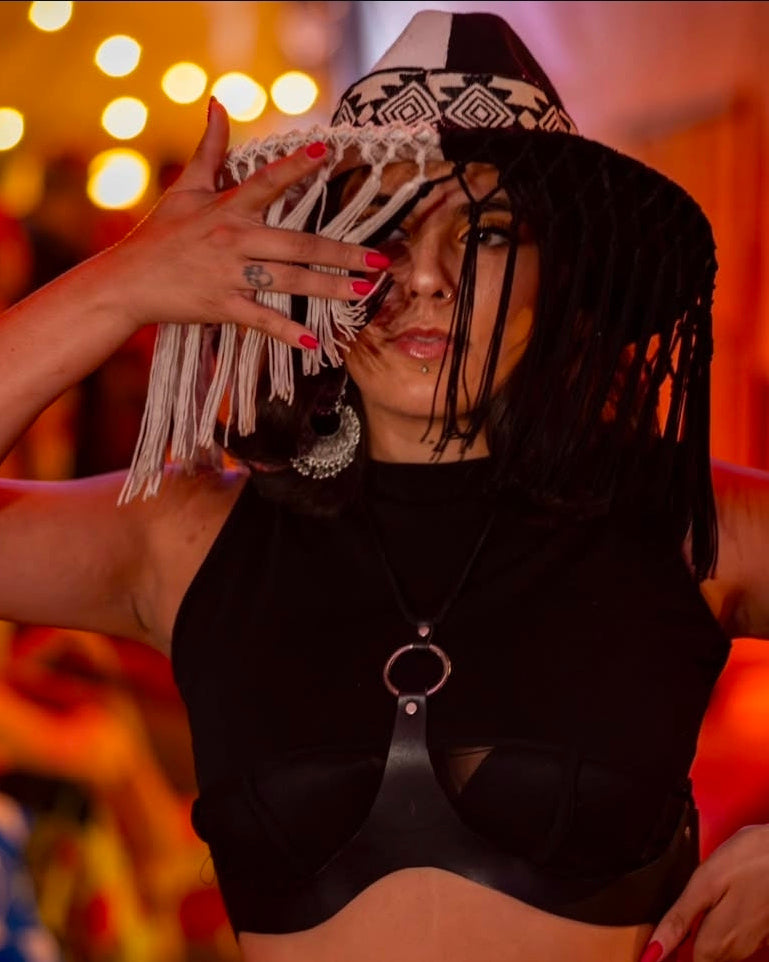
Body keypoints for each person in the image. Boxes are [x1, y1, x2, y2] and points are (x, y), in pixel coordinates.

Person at [0, 9, 768, 962]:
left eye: (488, 233)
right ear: (307, 268)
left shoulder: (685, 522)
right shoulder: (189, 540)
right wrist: (121, 284)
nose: (428, 276)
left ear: (561, 276)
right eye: (383, 228)